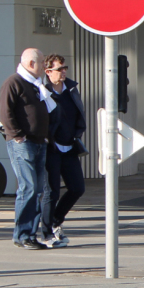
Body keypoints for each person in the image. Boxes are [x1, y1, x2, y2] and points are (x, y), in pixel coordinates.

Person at [0, 48, 54, 250]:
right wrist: (18, 135)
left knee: (37, 189)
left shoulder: (35, 85)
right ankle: (23, 234)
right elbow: (5, 112)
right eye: (42, 63)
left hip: (39, 142)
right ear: (32, 64)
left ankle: (30, 233)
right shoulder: (14, 82)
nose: (44, 67)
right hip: (23, 143)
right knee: (28, 187)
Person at [40, 53, 87, 249]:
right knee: (51, 192)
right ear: (48, 72)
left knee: (77, 188)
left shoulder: (71, 89)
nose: (64, 72)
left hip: (69, 146)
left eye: (65, 68)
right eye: (60, 69)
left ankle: (56, 220)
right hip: (51, 147)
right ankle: (46, 233)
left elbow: (79, 113)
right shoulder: (42, 92)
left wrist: (77, 133)